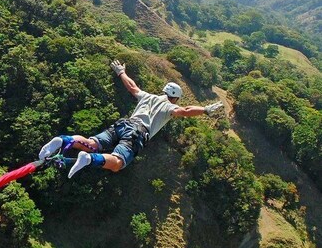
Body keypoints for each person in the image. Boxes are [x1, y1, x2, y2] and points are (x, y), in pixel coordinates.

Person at [39, 60, 223, 178]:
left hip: (122, 124)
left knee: (92, 143)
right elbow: (185, 111)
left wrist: (121, 72)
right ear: (175, 98)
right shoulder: (170, 107)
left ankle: (63, 140)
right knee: (117, 163)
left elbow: (132, 87)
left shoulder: (147, 96)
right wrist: (205, 110)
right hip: (137, 133)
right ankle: (88, 159)